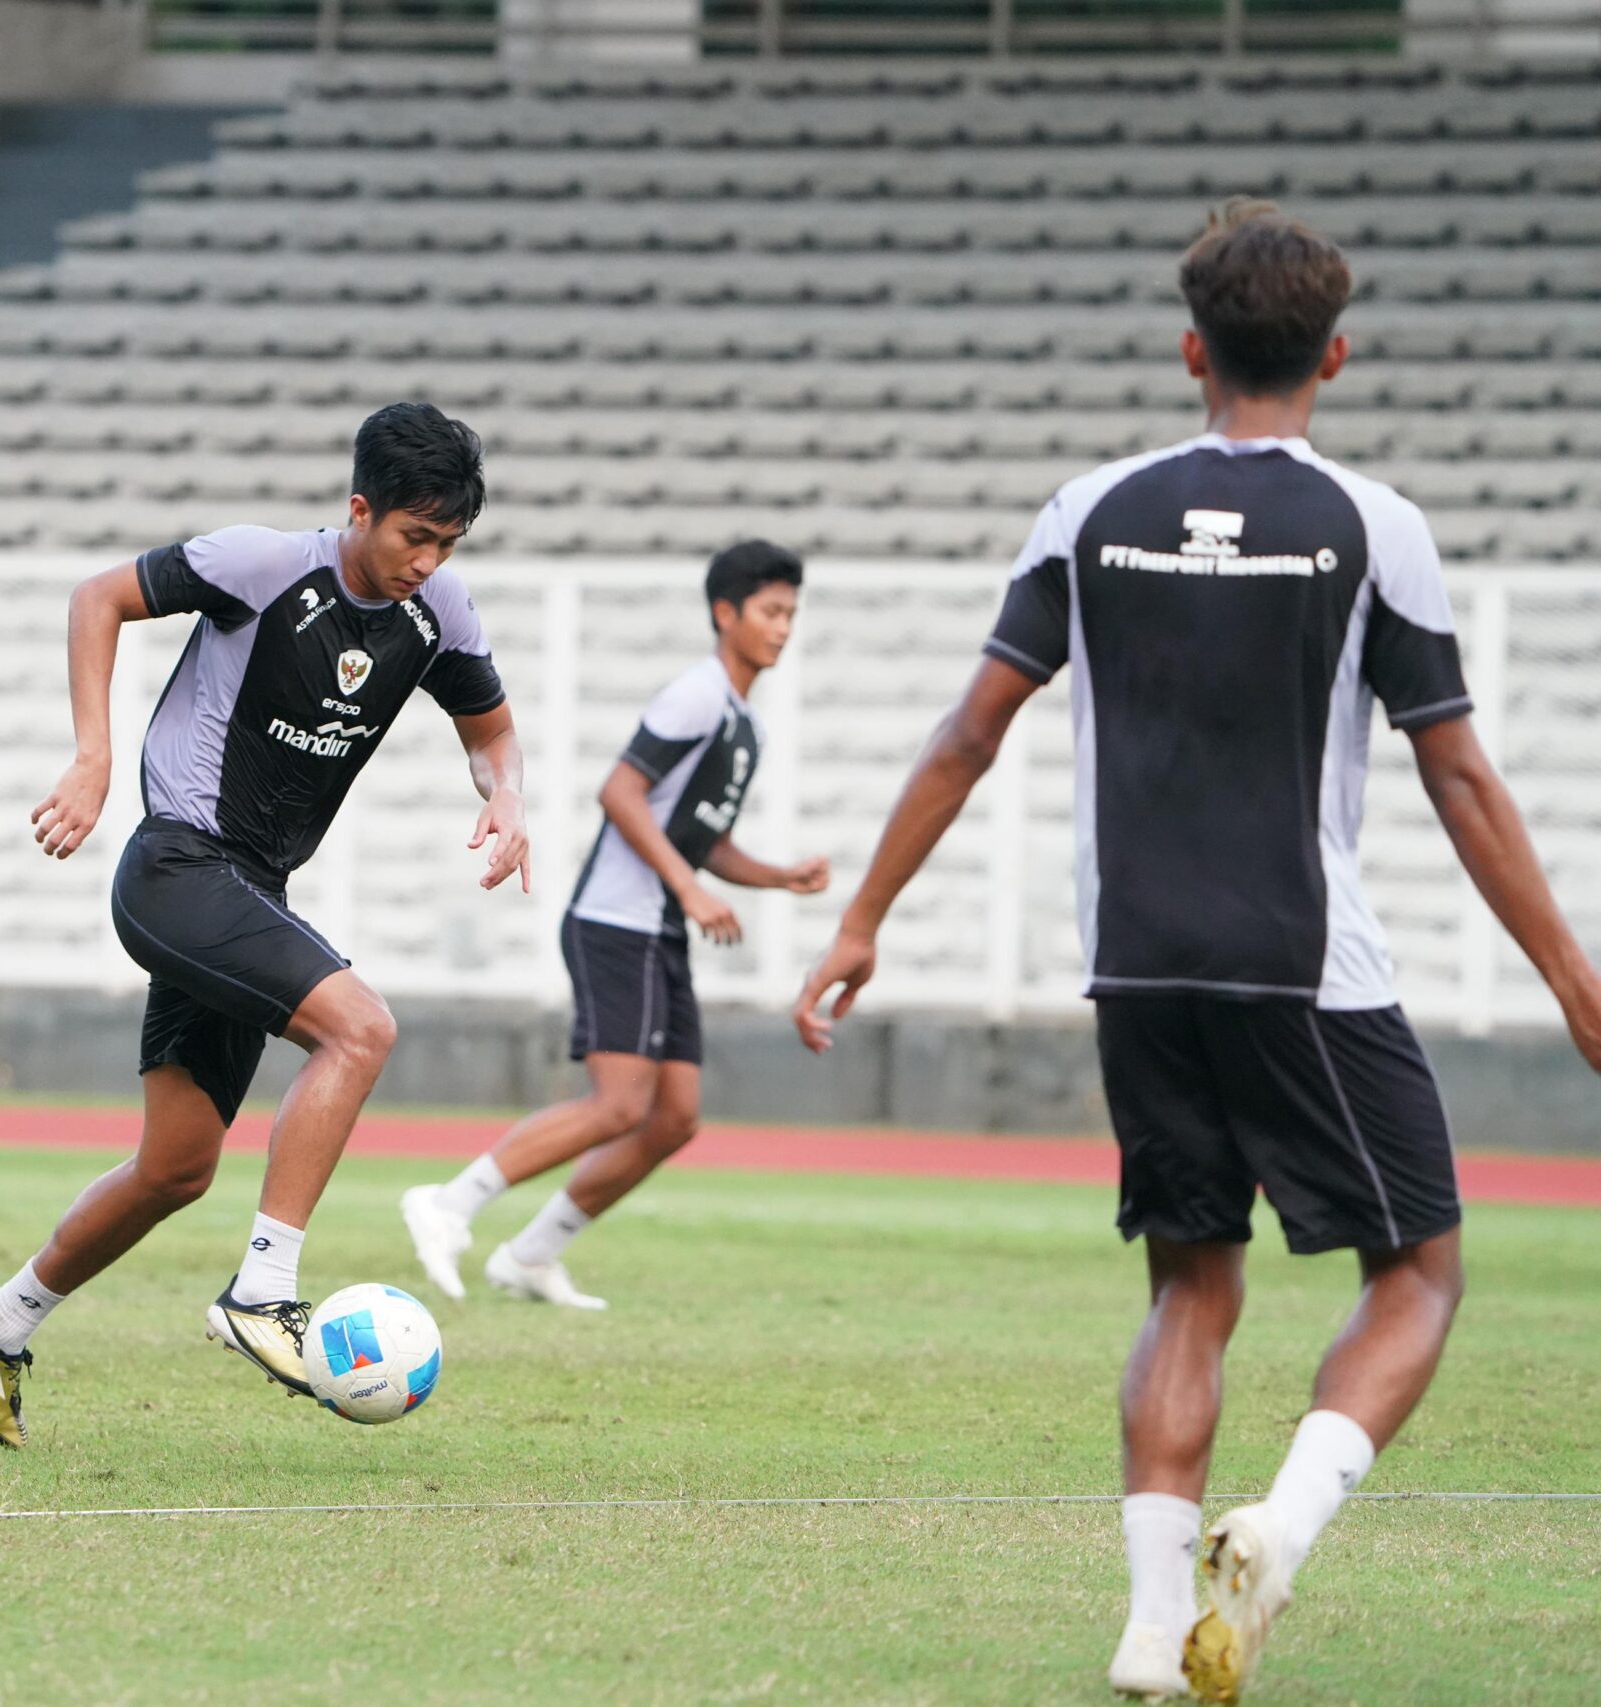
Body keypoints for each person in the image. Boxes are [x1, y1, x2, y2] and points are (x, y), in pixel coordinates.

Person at [789, 200, 1601, 1704]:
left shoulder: (1087, 508)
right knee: (1420, 1269)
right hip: (1307, 964)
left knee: (1190, 1281)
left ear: (1189, 351)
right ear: (1333, 357)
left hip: (1137, 961)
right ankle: (1279, 1528)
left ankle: (1153, 1626)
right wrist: (1570, 975)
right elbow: (1461, 776)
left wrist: (860, 919)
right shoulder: (1375, 527)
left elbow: (969, 732)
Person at [0, 402, 530, 1449]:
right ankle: (262, 1291)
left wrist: (507, 795)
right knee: (362, 1029)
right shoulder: (259, 564)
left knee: (176, 1167)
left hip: (250, 890)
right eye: (414, 536)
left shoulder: (438, 610)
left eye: (447, 543)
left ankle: (3, 1318)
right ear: (361, 509)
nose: (428, 562)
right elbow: (97, 596)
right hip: (177, 867)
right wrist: (93, 756)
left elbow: (491, 734)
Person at [403, 541, 827, 1311]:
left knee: (673, 1118)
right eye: (770, 611)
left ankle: (531, 1255)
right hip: (615, 921)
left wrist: (777, 876)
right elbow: (621, 792)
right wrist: (689, 890)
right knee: (620, 1104)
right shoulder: (695, 696)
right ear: (725, 613)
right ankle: (448, 1202)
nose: (783, 627)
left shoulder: (745, 725)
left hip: (657, 928)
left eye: (791, 613)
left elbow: (700, 838)